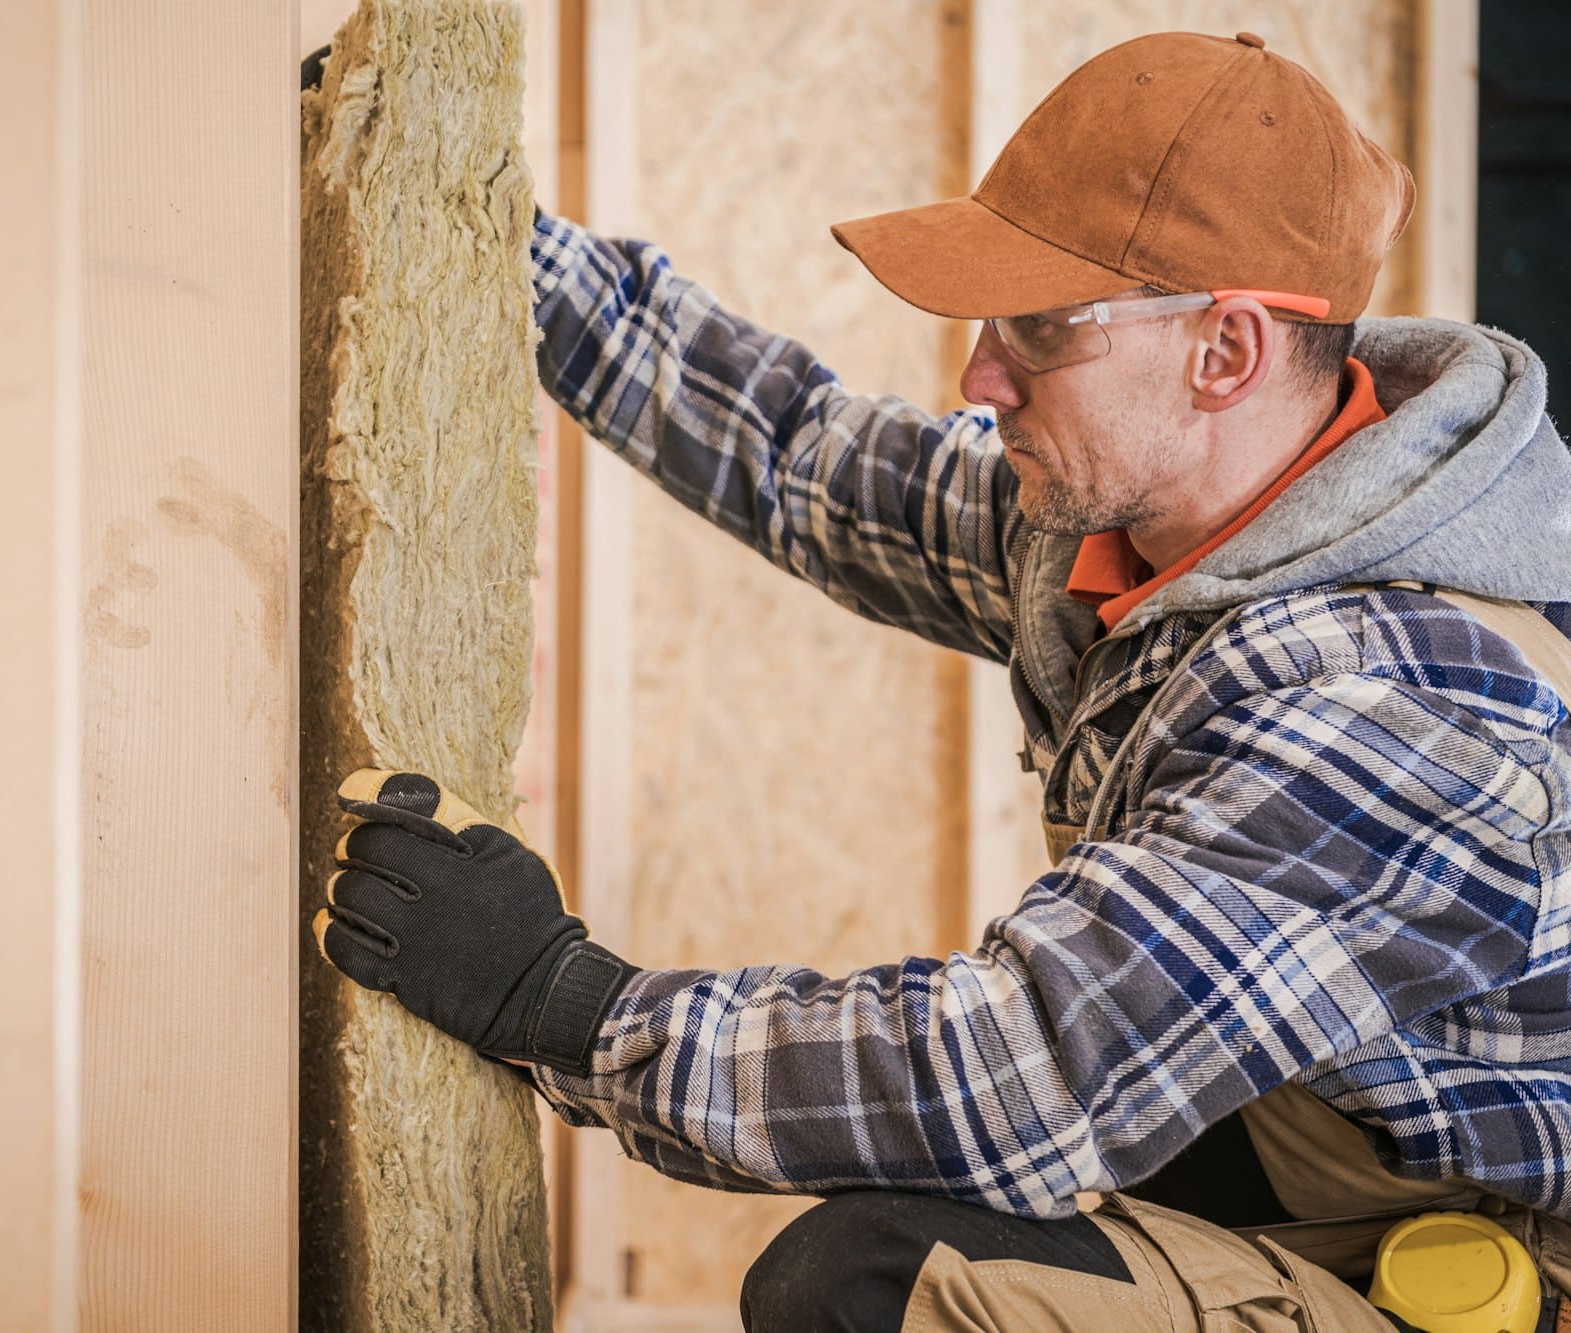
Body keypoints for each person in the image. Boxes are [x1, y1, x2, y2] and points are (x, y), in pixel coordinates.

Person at [313, 29, 1571, 1332]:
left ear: (1227, 351)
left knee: (873, 1288)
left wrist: (565, 1003)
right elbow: (801, 457)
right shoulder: (1135, 520)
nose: (980, 375)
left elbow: (1014, 1069)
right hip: (1348, 1164)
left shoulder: (1400, 715)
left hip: (1505, 1269)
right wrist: (481, 238)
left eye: (1036, 328)